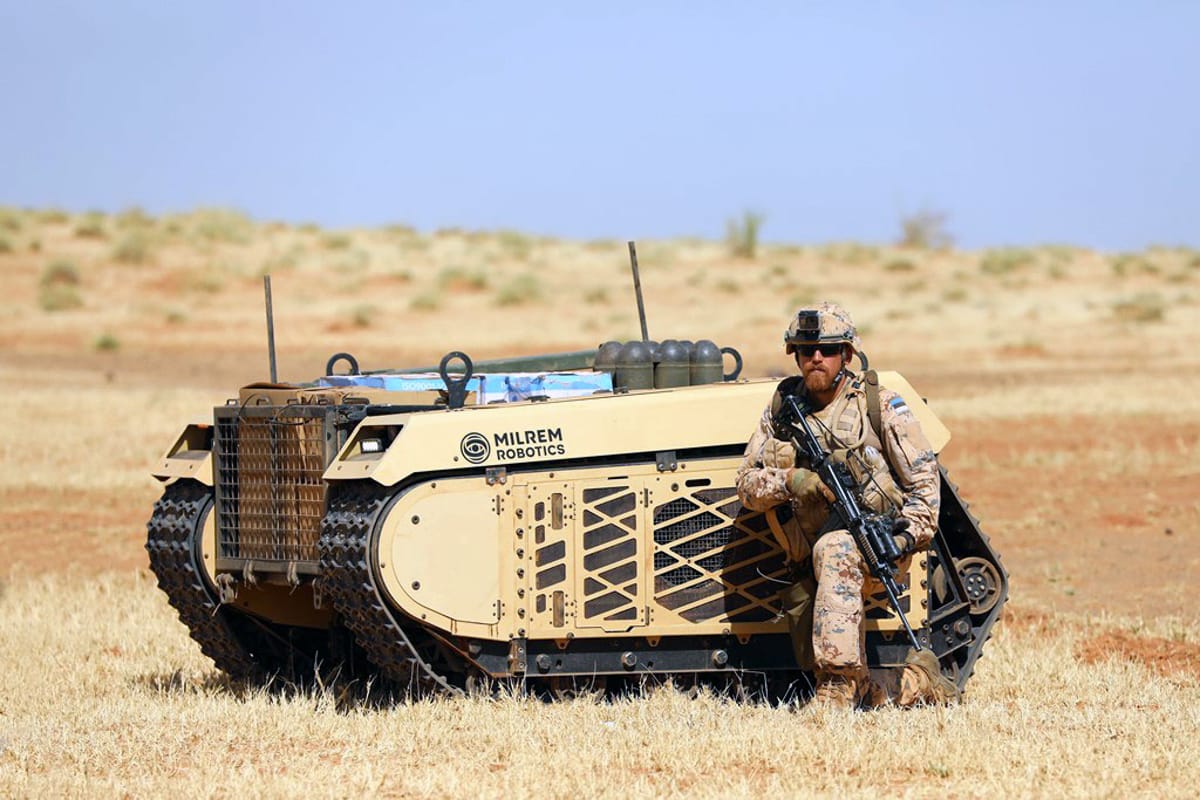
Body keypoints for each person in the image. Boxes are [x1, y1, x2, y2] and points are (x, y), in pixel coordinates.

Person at [735, 302, 959, 709]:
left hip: (880, 548)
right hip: (807, 555)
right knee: (830, 552)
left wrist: (903, 539)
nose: (816, 358)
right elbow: (746, 485)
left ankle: (835, 688)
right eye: (807, 351)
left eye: (828, 350)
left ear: (847, 354)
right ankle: (913, 683)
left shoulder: (879, 406)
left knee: (835, 547)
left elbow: (926, 492)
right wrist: (791, 481)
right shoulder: (783, 408)